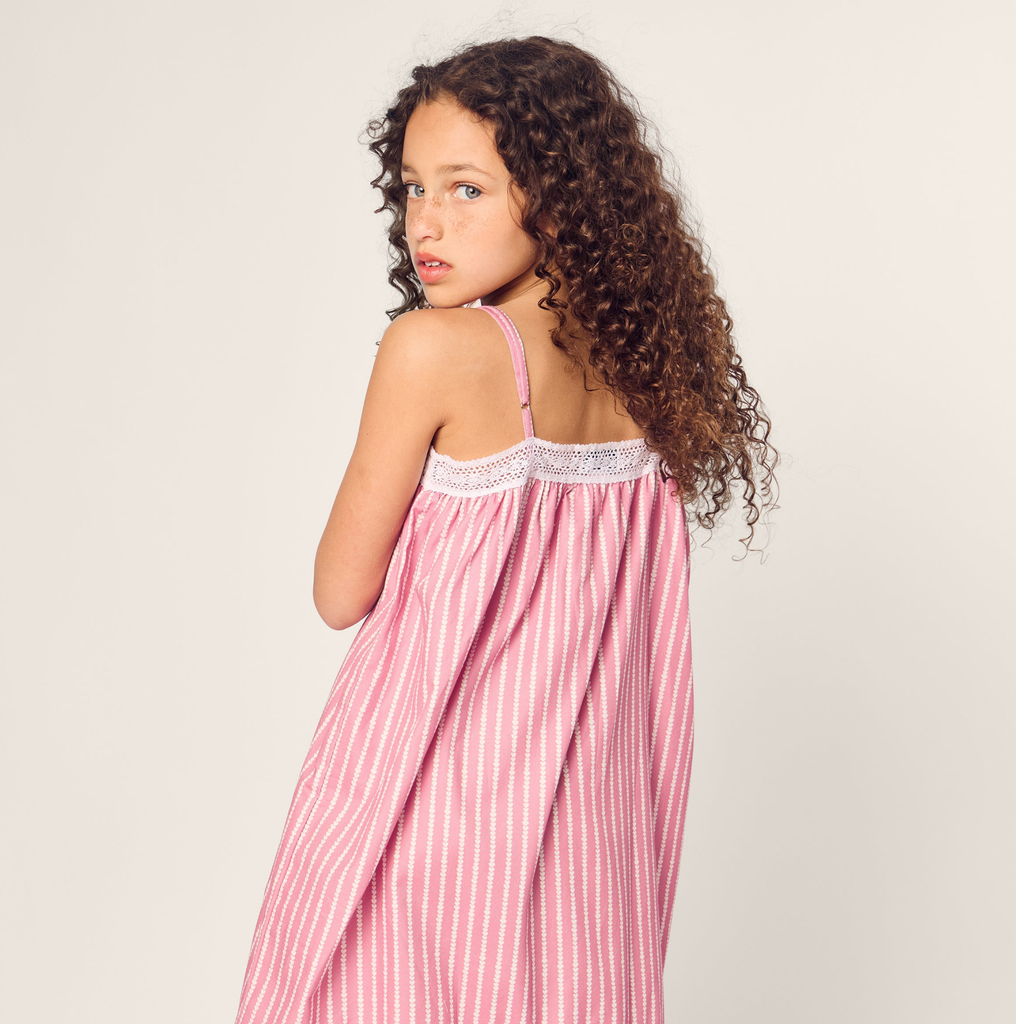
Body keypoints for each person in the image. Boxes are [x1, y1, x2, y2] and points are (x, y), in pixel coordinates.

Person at [233, 35, 777, 1024]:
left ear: (558, 197)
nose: (425, 223)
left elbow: (339, 592)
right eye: (413, 188)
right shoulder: (648, 372)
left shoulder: (435, 348)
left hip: (429, 808)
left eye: (467, 189)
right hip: (589, 833)